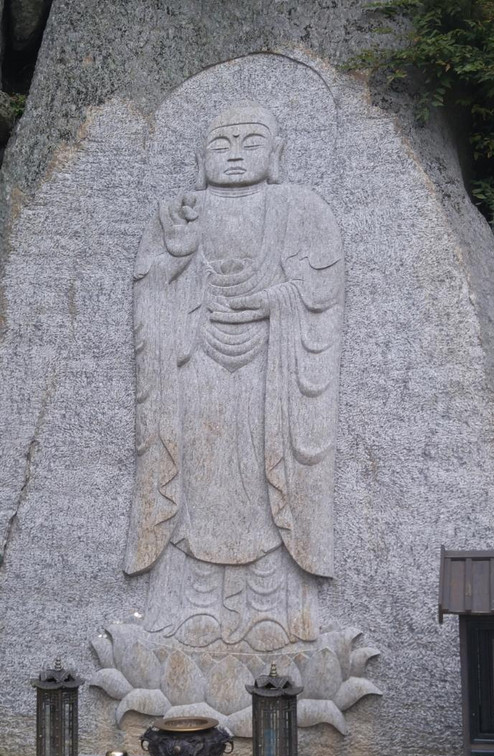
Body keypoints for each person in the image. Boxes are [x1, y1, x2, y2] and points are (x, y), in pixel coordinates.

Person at [126, 103, 345, 652]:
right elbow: (149, 288)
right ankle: (190, 605)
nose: (235, 154)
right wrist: (177, 259)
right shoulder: (180, 213)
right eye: (221, 144)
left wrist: (272, 302)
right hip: (196, 367)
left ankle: (273, 609)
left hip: (272, 374)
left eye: (251, 142)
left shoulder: (302, 209)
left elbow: (323, 291)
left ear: (276, 153)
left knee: (263, 479)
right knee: (198, 479)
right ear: (201, 158)